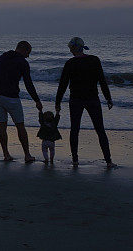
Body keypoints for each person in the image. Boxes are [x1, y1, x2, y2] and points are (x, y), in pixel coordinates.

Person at [55, 37, 115, 168]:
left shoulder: (70, 63)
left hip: (76, 100)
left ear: (73, 48)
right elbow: (102, 80)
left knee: (74, 130)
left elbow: (63, 85)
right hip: (93, 99)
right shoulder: (94, 60)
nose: (70, 51)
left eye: (70, 48)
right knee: (100, 130)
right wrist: (108, 98)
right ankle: (108, 161)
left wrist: (57, 102)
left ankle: (75, 160)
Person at [0, 40, 43, 162]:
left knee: (2, 125)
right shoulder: (22, 62)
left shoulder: (1, 58)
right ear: (23, 49)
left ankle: (6, 154)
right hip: (12, 98)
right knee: (20, 126)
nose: (28, 56)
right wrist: (37, 100)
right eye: (28, 52)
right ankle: (27, 155)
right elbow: (29, 84)